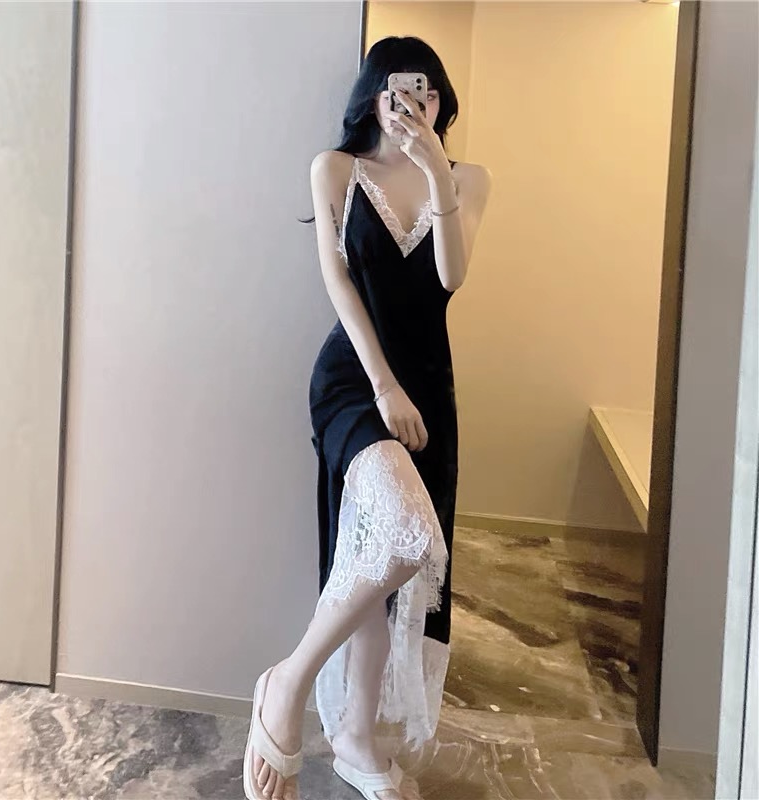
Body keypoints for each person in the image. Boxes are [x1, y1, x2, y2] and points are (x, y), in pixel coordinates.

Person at [243, 36, 491, 800]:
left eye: (428, 90)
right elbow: (338, 282)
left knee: (387, 561)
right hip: (355, 381)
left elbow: (450, 278)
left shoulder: (467, 179)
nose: (414, 102)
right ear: (373, 97)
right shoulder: (336, 170)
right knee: (404, 533)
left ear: (441, 101)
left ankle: (356, 736)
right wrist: (383, 387)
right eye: (398, 89)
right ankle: (287, 684)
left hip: (430, 390)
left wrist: (436, 174)